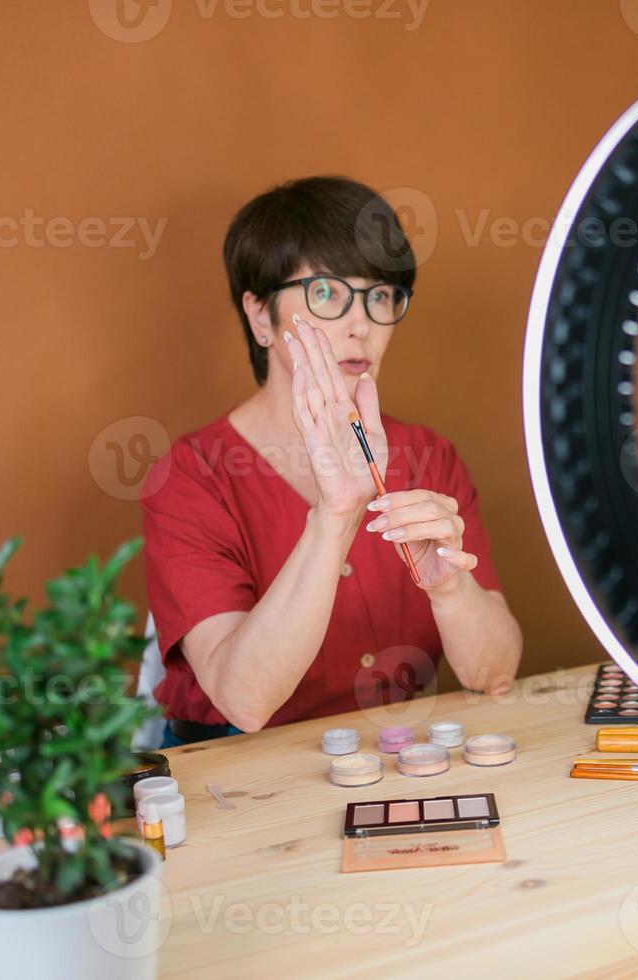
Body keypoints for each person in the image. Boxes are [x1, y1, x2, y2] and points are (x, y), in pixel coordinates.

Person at [142, 176, 522, 746]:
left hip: (389, 754)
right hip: (231, 769)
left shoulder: (427, 457)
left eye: (380, 296)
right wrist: (334, 517)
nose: (361, 325)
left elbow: (493, 674)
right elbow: (243, 700)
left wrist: (449, 591)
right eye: (326, 293)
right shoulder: (193, 476)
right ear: (260, 317)